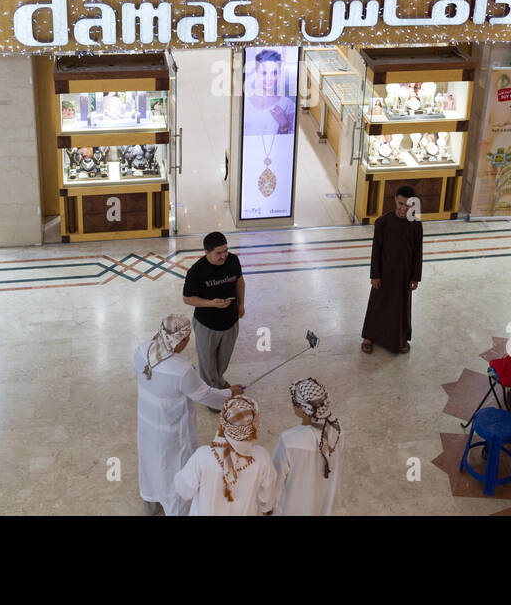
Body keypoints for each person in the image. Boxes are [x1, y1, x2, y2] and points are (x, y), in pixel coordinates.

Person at [133, 313, 243, 516]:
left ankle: (151, 502)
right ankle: (175, 509)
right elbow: (206, 395)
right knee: (174, 472)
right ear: (180, 340)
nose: (188, 342)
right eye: (186, 338)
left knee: (150, 462)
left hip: (147, 425)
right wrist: (230, 394)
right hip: (172, 433)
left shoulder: (140, 351)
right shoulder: (182, 370)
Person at [173, 395, 278, 516]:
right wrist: (266, 509)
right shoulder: (262, 458)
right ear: (253, 427)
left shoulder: (203, 456)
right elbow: (267, 500)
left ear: (223, 422)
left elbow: (184, 491)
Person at [361, 185, 423, 355]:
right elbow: (376, 251)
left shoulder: (416, 225)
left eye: (408, 205)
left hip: (404, 275)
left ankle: (399, 339)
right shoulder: (382, 222)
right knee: (377, 303)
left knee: (400, 307)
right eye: (400, 203)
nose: (403, 208)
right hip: (384, 273)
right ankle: (369, 337)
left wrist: (415, 277)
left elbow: (418, 251)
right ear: (395, 199)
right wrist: (375, 275)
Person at [182, 231, 245, 391]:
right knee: (207, 362)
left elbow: (239, 281)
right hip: (207, 325)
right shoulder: (196, 271)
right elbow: (188, 298)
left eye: (225, 250)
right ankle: (211, 390)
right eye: (218, 253)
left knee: (223, 359)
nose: (223, 256)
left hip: (231, 322)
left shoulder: (233, 260)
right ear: (206, 252)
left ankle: (218, 380)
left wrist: (241, 304)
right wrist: (211, 303)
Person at [271, 377, 344, 516]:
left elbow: (275, 480)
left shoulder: (289, 440)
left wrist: (267, 506)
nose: (293, 406)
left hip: (293, 507)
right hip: (324, 502)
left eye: (294, 402)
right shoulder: (338, 430)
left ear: (303, 410)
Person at [242, 49, 295, 136]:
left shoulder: (287, 104)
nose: (269, 78)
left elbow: (287, 141)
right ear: (256, 73)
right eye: (264, 73)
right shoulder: (245, 102)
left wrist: (283, 125)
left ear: (280, 74)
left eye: (274, 73)